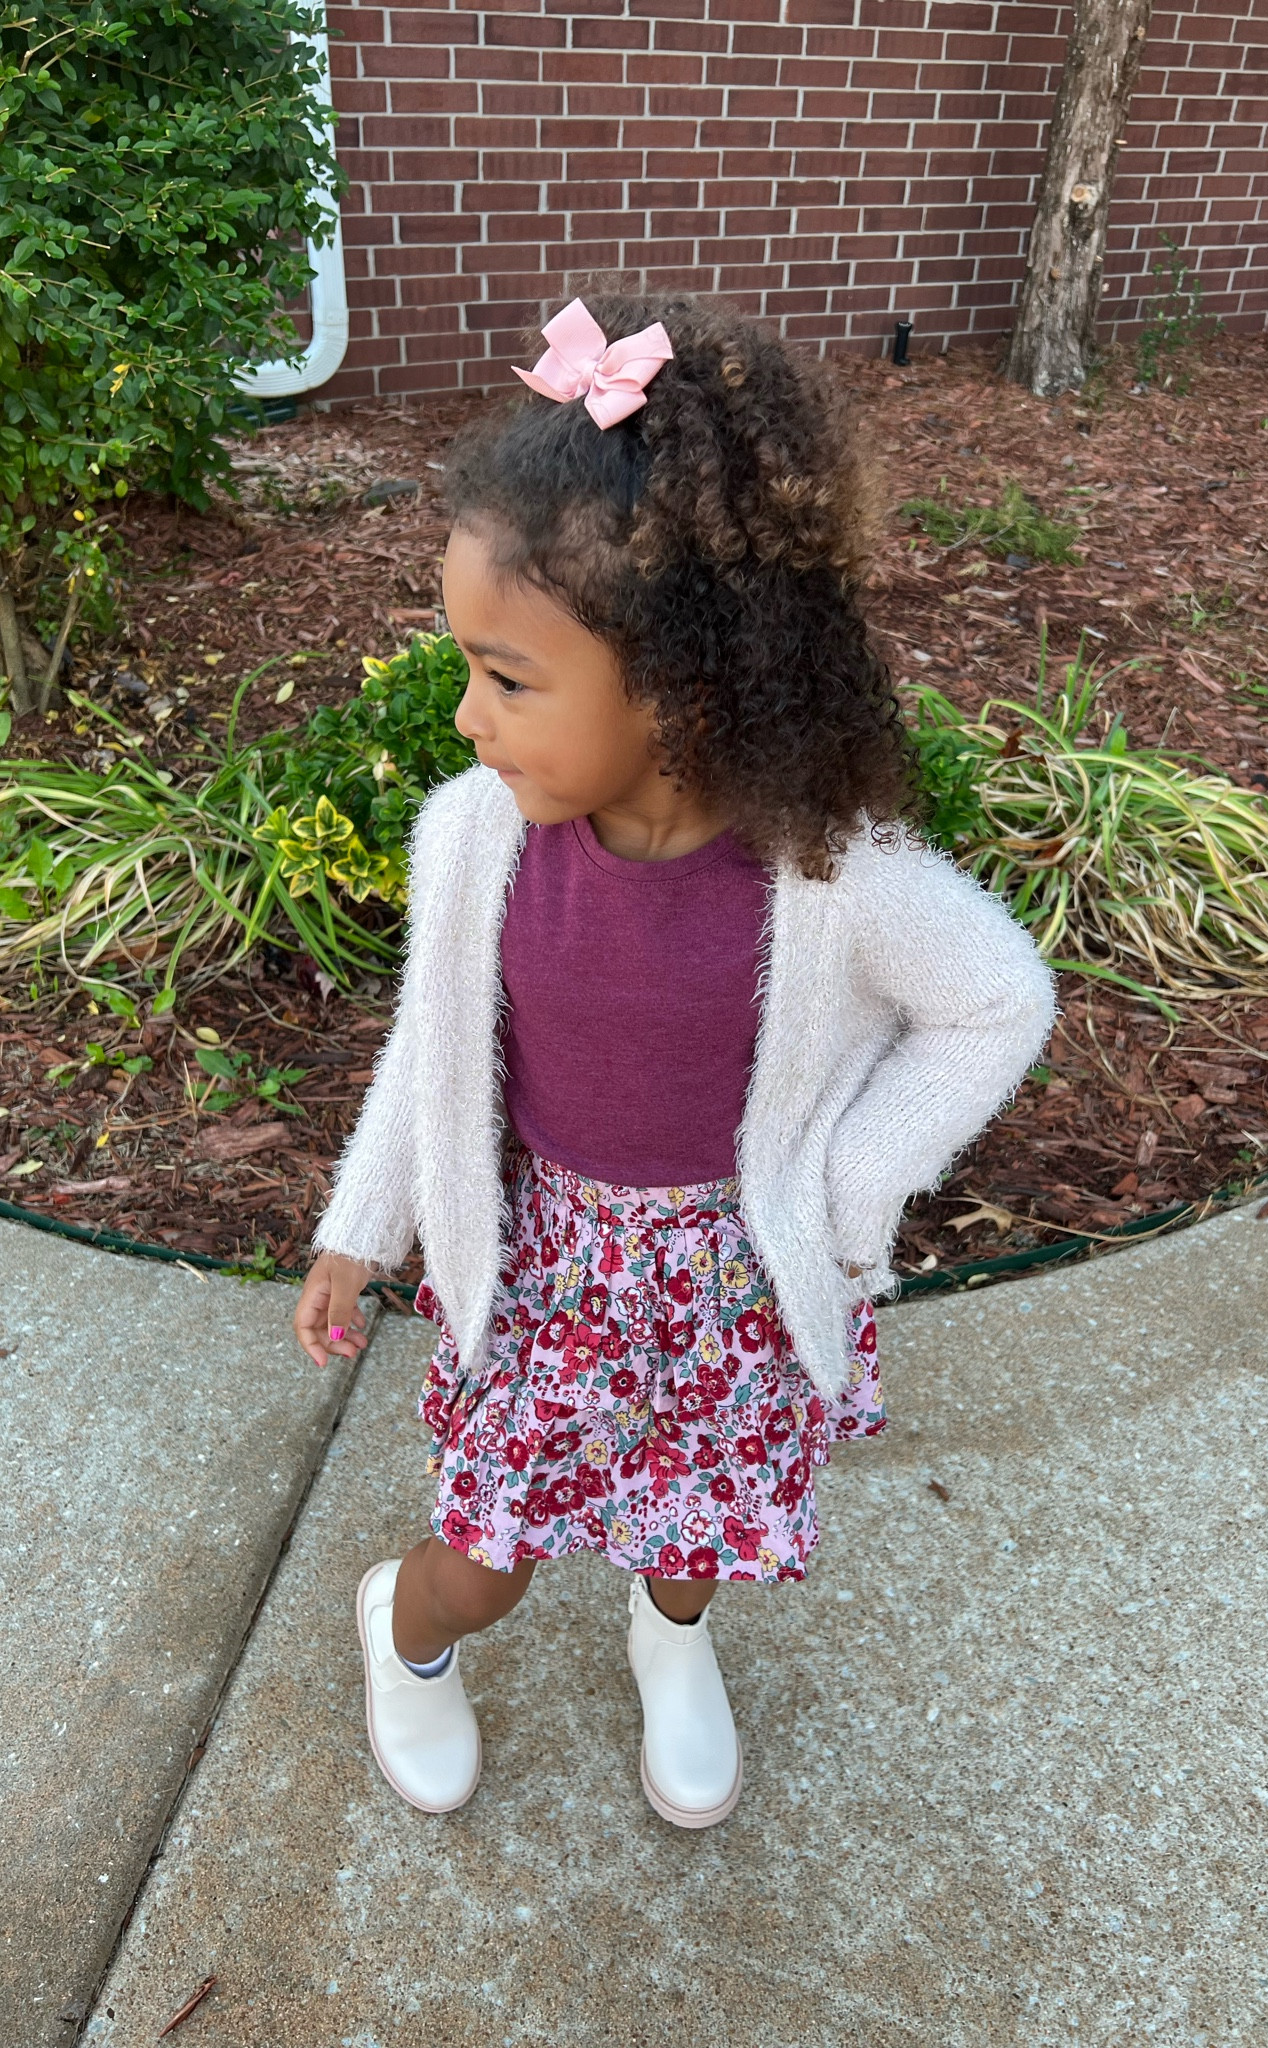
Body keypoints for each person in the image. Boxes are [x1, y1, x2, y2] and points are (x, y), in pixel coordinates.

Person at [294, 293, 1054, 1828]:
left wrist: (849, 1182)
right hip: (548, 1277)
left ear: (683, 690)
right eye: (470, 668)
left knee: (697, 1536)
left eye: (510, 679)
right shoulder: (478, 845)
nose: (466, 715)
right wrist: (361, 1226)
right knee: (490, 1560)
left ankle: (668, 1634)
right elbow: (433, 1056)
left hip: (731, 1283)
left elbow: (995, 1000)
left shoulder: (832, 875)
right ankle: (408, 1632)